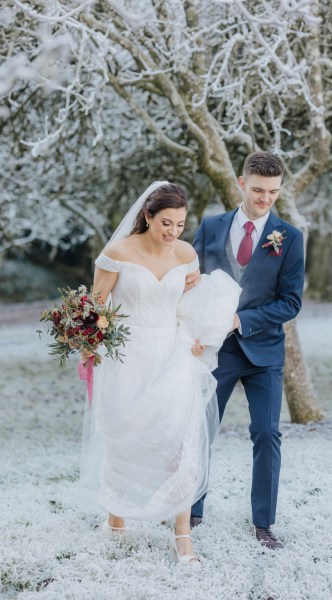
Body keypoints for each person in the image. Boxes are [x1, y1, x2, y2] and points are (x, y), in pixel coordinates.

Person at [77, 182, 241, 566]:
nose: (172, 232)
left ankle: (182, 537)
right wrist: (85, 340)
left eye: (180, 225)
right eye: (166, 222)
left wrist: (200, 335)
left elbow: (189, 304)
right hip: (126, 359)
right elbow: (94, 309)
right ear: (148, 216)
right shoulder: (116, 253)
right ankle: (116, 517)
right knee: (124, 436)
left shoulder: (185, 254)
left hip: (174, 355)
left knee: (181, 444)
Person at [190, 152, 305, 549]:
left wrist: (243, 320)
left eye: (273, 192)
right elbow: (191, 281)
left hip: (264, 355)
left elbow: (291, 302)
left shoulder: (289, 238)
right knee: (200, 430)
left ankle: (263, 523)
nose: (265, 198)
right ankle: (191, 512)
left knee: (267, 433)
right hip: (214, 352)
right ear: (241, 182)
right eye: (258, 190)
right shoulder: (210, 227)